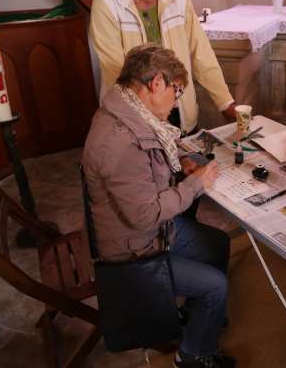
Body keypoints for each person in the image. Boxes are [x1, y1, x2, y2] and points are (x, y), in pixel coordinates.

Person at [82, 44, 234, 368]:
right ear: (156, 84)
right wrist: (197, 183)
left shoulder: (126, 110)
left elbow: (150, 162)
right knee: (216, 286)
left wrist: (181, 163)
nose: (176, 101)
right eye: (176, 91)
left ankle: (198, 317)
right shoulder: (120, 140)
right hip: (134, 249)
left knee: (218, 243)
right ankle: (193, 354)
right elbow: (145, 214)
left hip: (149, 230)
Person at [90, 0, 236, 134]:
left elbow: (201, 53)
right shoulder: (107, 4)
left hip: (179, 107)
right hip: (134, 116)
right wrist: (152, 111)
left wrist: (225, 102)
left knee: (189, 161)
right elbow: (116, 69)